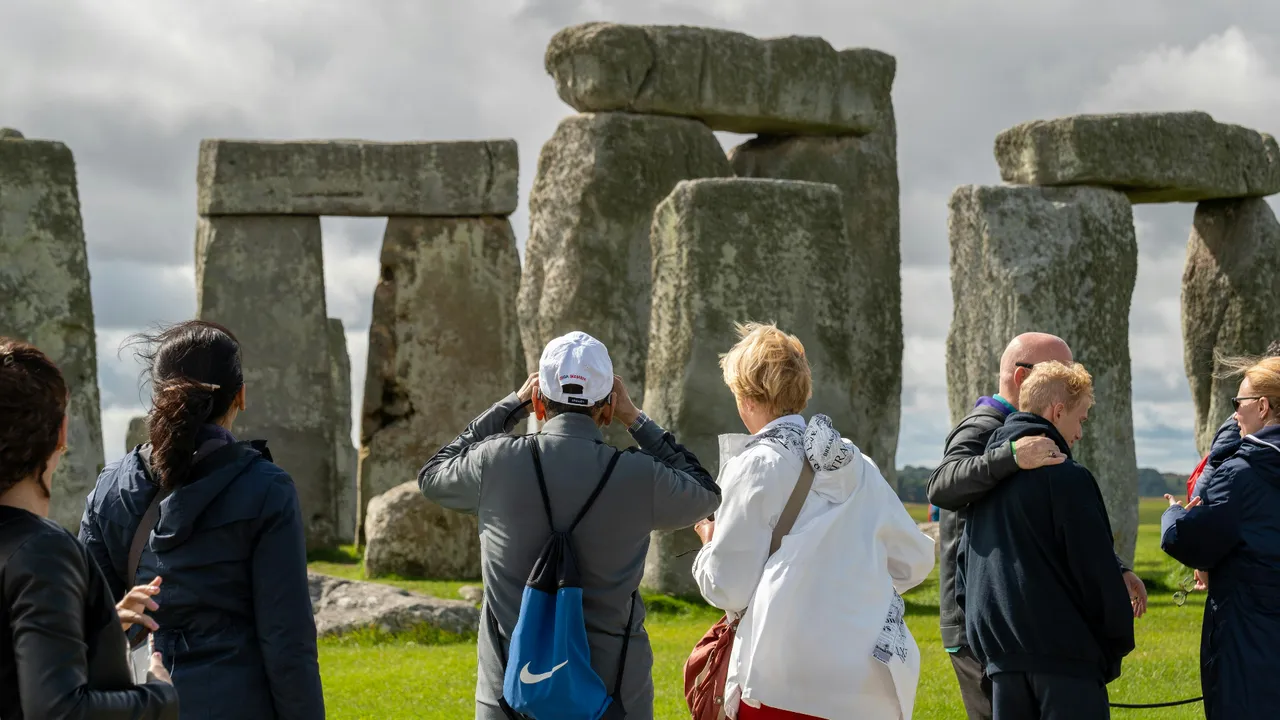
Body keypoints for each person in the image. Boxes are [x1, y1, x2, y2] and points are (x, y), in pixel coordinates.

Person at [420, 330, 721, 720]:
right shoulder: (638, 476)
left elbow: (432, 474)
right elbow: (706, 492)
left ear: (540, 404)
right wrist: (636, 418)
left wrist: (511, 405)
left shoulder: (493, 462)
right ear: (608, 408)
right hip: (612, 696)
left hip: (507, 698)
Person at [78, 321, 324, 720]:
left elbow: (89, 619)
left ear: (158, 397)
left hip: (140, 700)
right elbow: (287, 640)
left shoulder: (110, 487)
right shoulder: (266, 489)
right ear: (240, 396)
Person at [691, 323, 935, 720]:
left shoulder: (755, 465)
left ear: (746, 395)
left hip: (785, 679)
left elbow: (729, 588)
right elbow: (914, 562)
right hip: (865, 685)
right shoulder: (859, 464)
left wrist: (708, 543)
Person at [926, 332, 1146, 720]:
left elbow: (1058, 527)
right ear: (1024, 377)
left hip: (1010, 624)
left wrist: (1118, 566)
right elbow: (941, 486)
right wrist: (1009, 456)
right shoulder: (983, 427)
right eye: (1056, 369)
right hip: (979, 624)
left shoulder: (1038, 437)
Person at [0, 338, 179, 719]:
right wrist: (158, 698)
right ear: (61, 433)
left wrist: (98, 624)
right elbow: (59, 710)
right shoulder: (42, 553)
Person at [1161, 355, 1280, 719]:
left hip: (1249, 638)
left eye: (1238, 404)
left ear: (1262, 406)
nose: (1234, 416)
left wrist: (1174, 514)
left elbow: (1187, 540)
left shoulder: (1242, 474)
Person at [1181, 340, 1280, 592]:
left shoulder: (1241, 457)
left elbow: (1209, 488)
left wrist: (1177, 520)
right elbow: (1212, 482)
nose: (1236, 412)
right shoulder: (1238, 425)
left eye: (1238, 403)